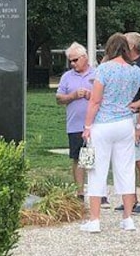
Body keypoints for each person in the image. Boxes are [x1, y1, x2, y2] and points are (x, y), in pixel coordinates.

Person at [79, 33, 140, 233]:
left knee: (97, 170)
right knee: (126, 169)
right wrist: (137, 103)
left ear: (109, 48)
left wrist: (87, 126)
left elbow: (95, 101)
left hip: (103, 124)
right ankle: (127, 218)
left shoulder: (104, 69)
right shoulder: (134, 71)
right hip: (125, 123)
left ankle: (95, 220)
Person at [55, 42, 109, 207]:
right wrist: (72, 96)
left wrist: (90, 96)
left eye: (75, 60)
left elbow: (107, 98)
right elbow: (59, 98)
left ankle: (100, 193)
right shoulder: (67, 77)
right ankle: (80, 193)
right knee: (78, 158)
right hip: (75, 125)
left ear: (85, 58)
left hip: (96, 124)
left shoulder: (97, 74)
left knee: (97, 158)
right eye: (70, 61)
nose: (72, 63)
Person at [114, 31, 140, 214]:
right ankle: (130, 198)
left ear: (132, 46)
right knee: (127, 159)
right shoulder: (126, 64)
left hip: (139, 116)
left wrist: (139, 125)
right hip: (125, 115)